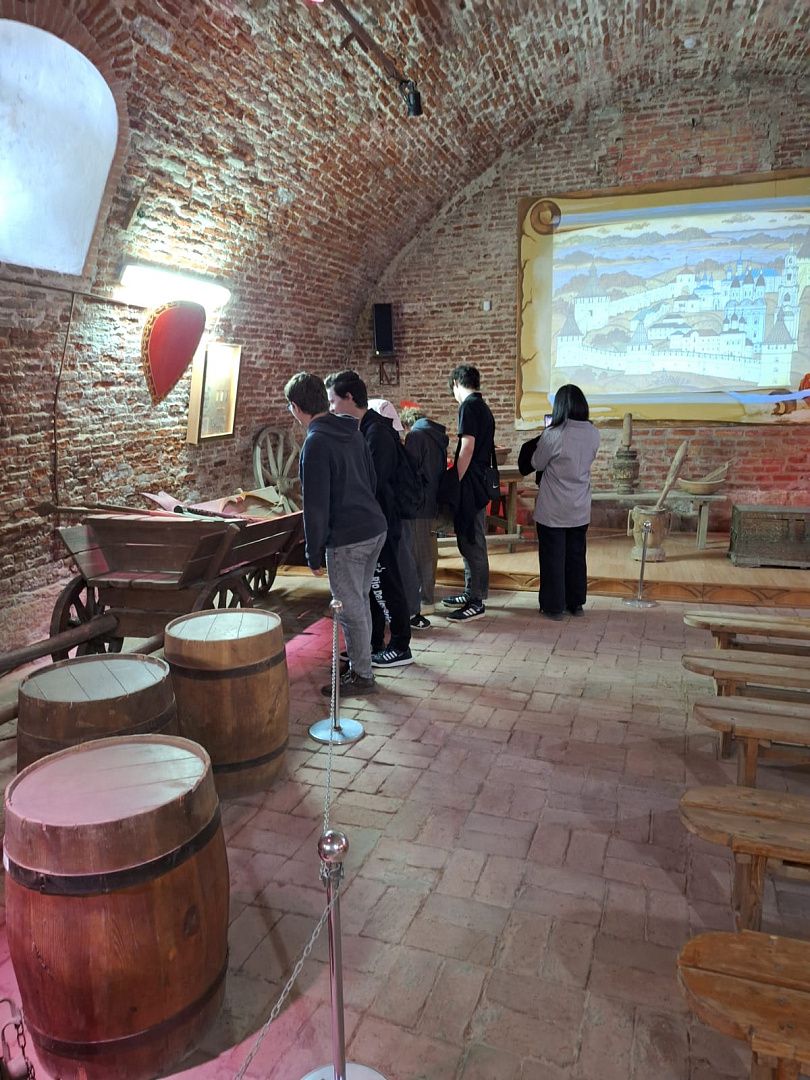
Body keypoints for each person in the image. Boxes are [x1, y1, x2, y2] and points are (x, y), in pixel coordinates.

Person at [283, 372, 387, 696]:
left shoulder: (315, 442)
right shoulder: (351, 431)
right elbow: (371, 480)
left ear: (296, 407)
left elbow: (315, 506)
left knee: (349, 608)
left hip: (348, 538)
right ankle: (362, 663)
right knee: (359, 601)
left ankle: (362, 675)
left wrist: (312, 553)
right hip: (374, 527)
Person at [324, 370, 413, 668]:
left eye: (333, 401)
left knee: (387, 583)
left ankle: (400, 645)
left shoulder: (378, 432)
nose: (331, 408)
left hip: (382, 520)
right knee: (371, 587)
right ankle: (372, 643)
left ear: (349, 398)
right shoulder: (363, 428)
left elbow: (372, 482)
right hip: (372, 521)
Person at [530, 383, 600, 620]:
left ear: (559, 407)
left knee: (553, 557)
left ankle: (553, 606)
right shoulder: (593, 433)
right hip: (580, 505)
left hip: (554, 507)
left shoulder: (555, 434)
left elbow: (537, 463)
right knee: (576, 556)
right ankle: (575, 603)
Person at [442, 364, 495, 622]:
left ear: (455, 383)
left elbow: (467, 447)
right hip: (479, 481)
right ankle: (471, 592)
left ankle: (476, 600)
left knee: (472, 540)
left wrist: (456, 480)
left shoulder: (469, 406)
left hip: (471, 483)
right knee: (469, 537)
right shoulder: (482, 406)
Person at [400, 405, 449, 626]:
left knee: (418, 554)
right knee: (428, 551)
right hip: (432, 500)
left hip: (418, 503)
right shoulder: (436, 436)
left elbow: (409, 472)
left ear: (407, 423)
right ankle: (427, 596)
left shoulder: (416, 436)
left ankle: (424, 599)